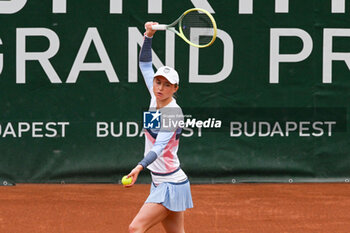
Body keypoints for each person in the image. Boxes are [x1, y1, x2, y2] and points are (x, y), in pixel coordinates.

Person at [126, 22, 193, 233]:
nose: (160, 88)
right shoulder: (154, 96)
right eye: (158, 82)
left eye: (166, 84)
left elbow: (159, 147)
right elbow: (145, 64)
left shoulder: (173, 113)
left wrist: (138, 167)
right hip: (163, 181)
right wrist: (148, 35)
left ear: (175, 88)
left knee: (135, 228)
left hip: (170, 184)